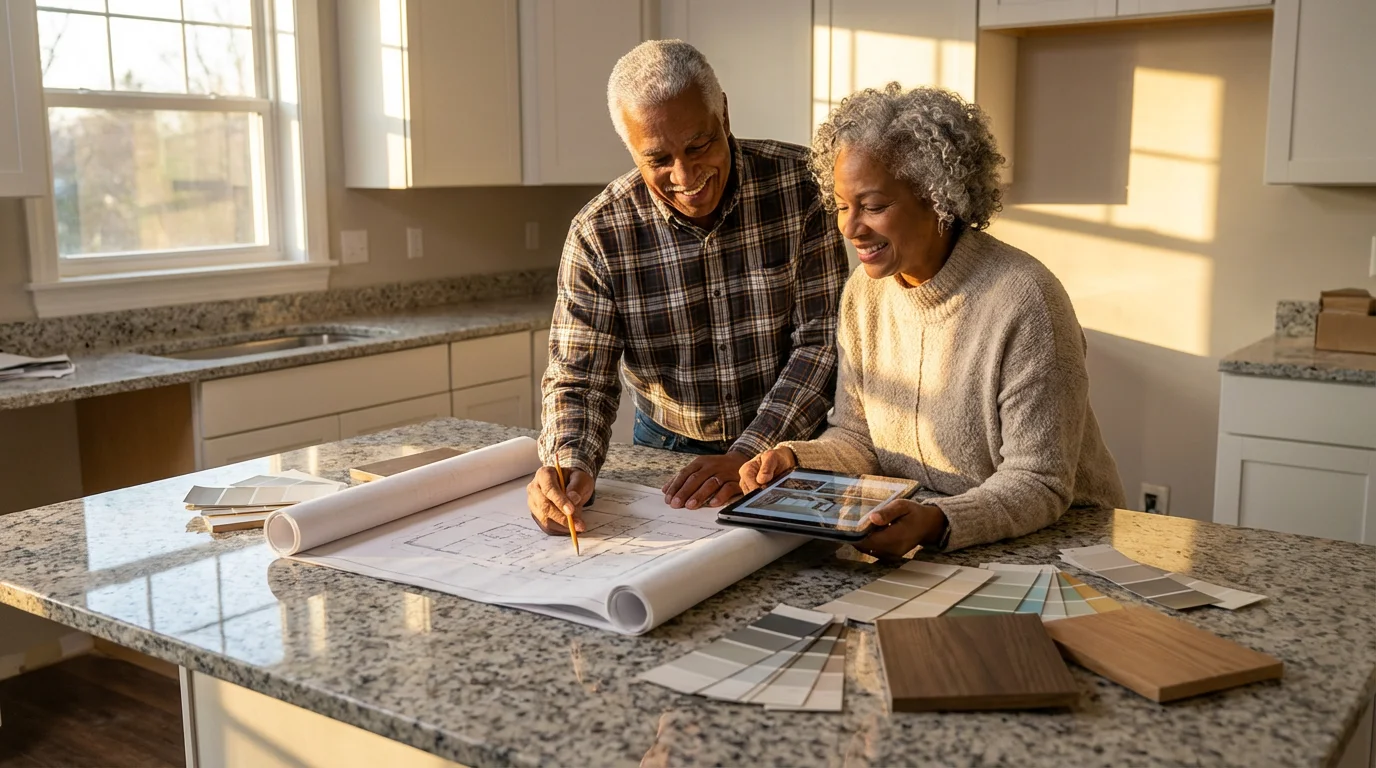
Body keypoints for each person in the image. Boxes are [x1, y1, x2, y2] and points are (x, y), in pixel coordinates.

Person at [740, 84, 1126, 558]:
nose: (849, 226)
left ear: (939, 199)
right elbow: (859, 438)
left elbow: (1038, 481)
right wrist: (795, 459)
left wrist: (938, 522)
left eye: (874, 206)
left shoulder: (1025, 298)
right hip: (942, 537)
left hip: (1067, 544)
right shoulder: (864, 293)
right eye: (843, 205)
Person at [527, 40, 849, 536]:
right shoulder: (599, 233)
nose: (686, 176)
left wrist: (750, 450)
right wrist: (568, 464)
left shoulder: (800, 188)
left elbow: (821, 342)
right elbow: (580, 377)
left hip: (792, 446)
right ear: (631, 149)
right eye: (658, 159)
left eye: (699, 146)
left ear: (724, 113)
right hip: (667, 448)